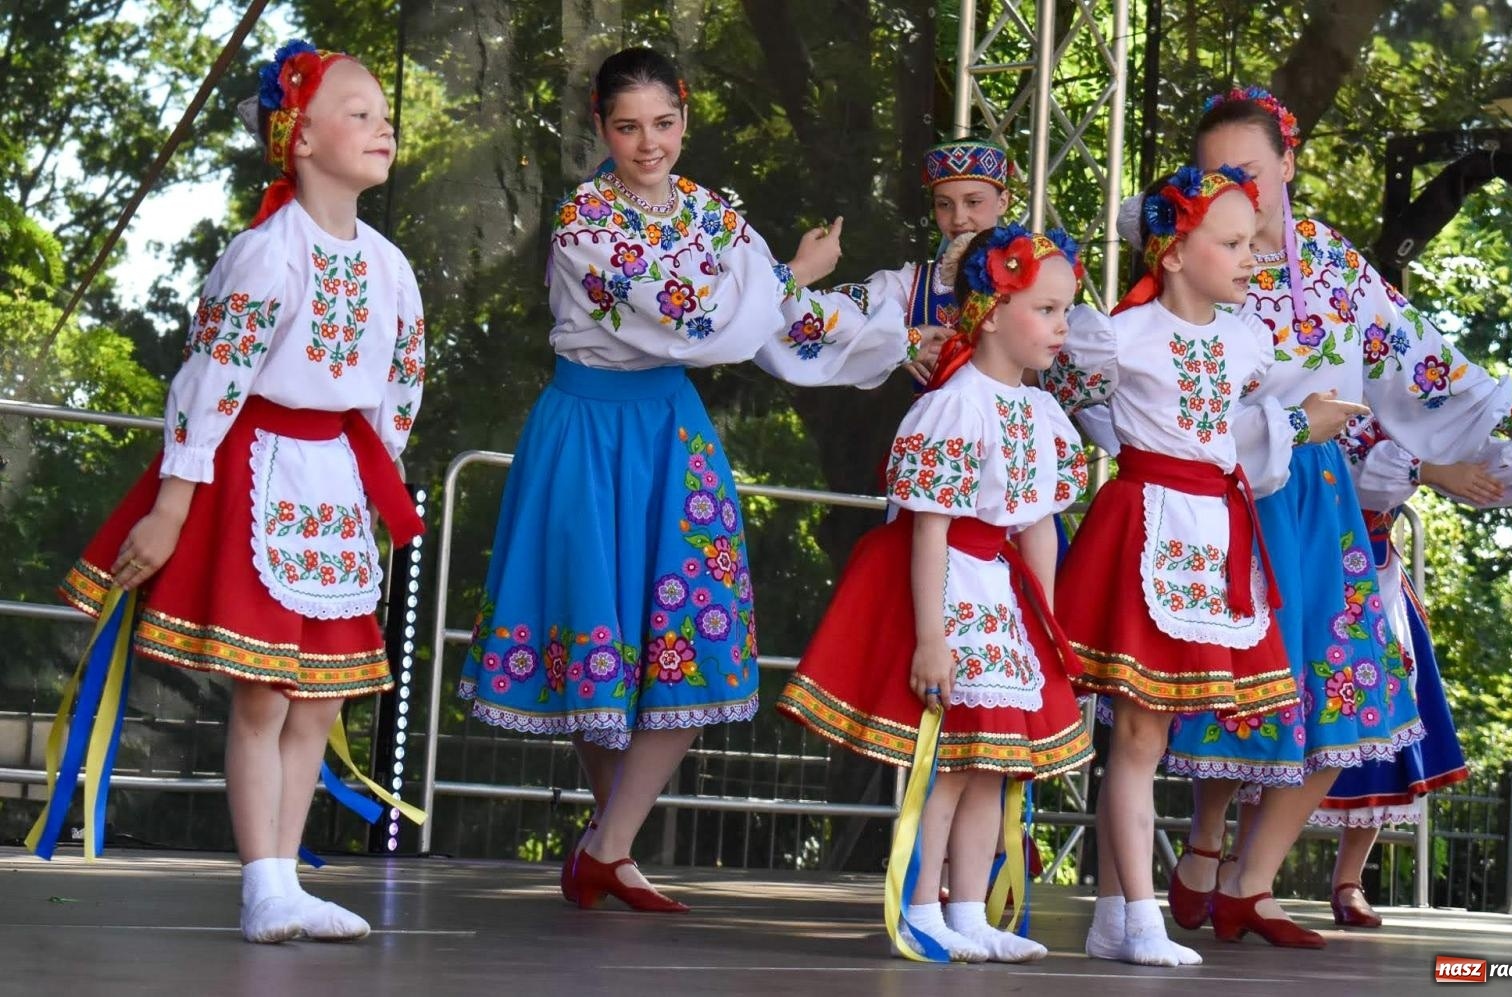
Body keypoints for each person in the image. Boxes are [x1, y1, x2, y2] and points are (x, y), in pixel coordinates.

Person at [457, 46, 930, 912]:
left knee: (696, 632)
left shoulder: (712, 213)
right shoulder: (584, 224)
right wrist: (791, 272)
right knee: (596, 642)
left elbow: (780, 320)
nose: (650, 144)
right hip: (588, 433)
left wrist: (894, 336)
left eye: (665, 123)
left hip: (671, 432)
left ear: (685, 117)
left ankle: (607, 845)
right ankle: (612, 848)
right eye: (628, 127)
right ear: (600, 127)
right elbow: (698, 322)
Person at [1162, 84, 1512, 948]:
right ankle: (1204, 843)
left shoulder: (1332, 263)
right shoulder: (1193, 257)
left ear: (1289, 163)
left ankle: (1251, 881)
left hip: (1324, 504)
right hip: (1231, 497)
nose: (1234, 188)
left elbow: (1418, 356)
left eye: (1249, 169)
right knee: (1241, 685)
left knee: (1354, 687)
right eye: (1214, 174)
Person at [57, 39, 425, 943]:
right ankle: (263, 881)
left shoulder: (391, 267)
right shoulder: (267, 252)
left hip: (338, 486)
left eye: (384, 115)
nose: (382, 128)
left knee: (321, 697)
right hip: (258, 471)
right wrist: (173, 502)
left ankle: (287, 879)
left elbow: (398, 391)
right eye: (358, 113)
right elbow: (212, 379)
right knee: (264, 690)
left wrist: (372, 492)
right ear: (300, 136)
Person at [1044, 167, 1349, 965]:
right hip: (1144, 526)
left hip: (1212, 536)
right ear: (1175, 253)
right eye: (1233, 242)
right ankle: (1138, 916)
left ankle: (1115, 915)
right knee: (1138, 733)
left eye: (1252, 242)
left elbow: (1228, 438)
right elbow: (1067, 396)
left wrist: (1295, 424)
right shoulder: (1120, 333)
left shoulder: (1246, 340)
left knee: (1149, 733)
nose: (1251, 257)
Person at [777, 225, 1094, 962]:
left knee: (994, 762)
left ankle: (971, 911)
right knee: (951, 760)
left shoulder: (1041, 413)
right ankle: (923, 906)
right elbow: (929, 528)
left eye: (1065, 310)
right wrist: (931, 637)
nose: (1062, 326)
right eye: (1046, 309)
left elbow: (1037, 528)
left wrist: (1046, 625)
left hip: (1003, 598)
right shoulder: (957, 404)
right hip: (954, 588)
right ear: (992, 311)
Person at [1312, 417, 1512, 926]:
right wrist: (1427, 469)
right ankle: (1238, 869)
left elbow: (1465, 456)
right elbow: (1358, 469)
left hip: (1374, 576)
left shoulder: (1411, 402)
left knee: (1389, 727)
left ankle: (1348, 878)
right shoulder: (1323, 390)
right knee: (1284, 715)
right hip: (1303, 565)